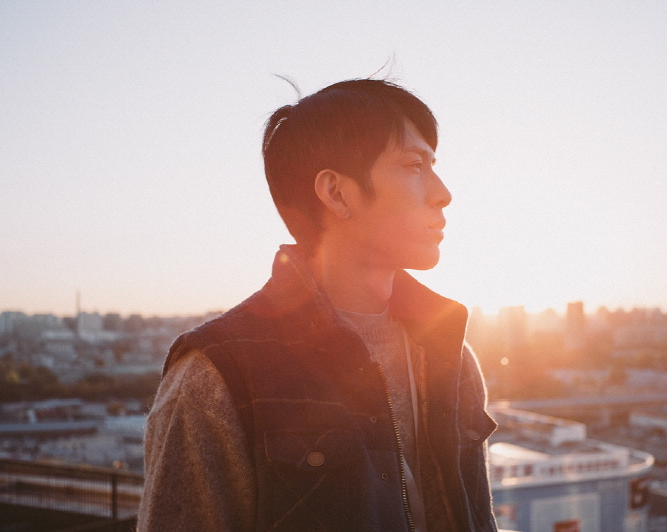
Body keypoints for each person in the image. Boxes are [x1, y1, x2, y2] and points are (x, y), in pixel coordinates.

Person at [138, 79, 498, 532]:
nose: (442, 192)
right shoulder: (217, 376)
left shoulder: (448, 355)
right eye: (413, 165)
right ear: (336, 193)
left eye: (433, 166)